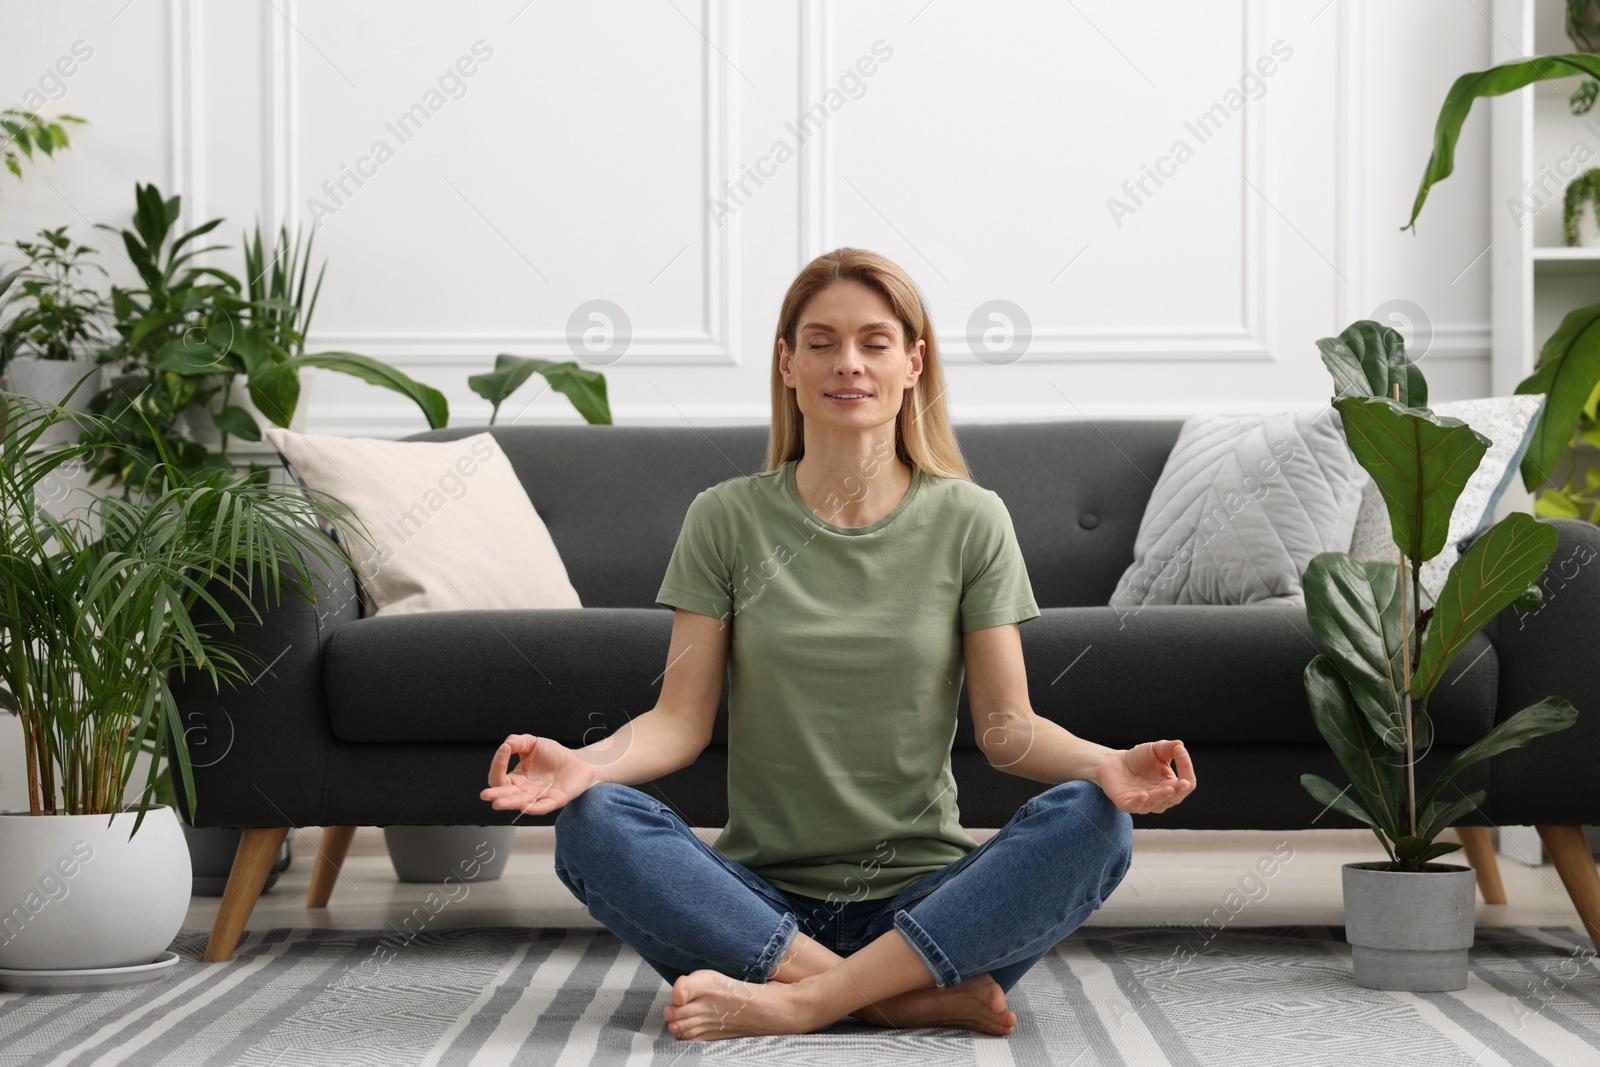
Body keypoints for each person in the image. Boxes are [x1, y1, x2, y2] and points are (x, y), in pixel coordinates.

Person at [481, 247, 1196, 1042]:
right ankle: (893, 999)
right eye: (820, 342)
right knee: (592, 820)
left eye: (873, 342)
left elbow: (1007, 729)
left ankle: (801, 1001)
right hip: (758, 905)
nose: (847, 363)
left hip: (929, 908)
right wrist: (587, 765)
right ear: (787, 363)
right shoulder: (725, 518)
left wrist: (1107, 764)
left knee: (1095, 822)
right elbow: (678, 722)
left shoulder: (971, 519)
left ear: (913, 362)